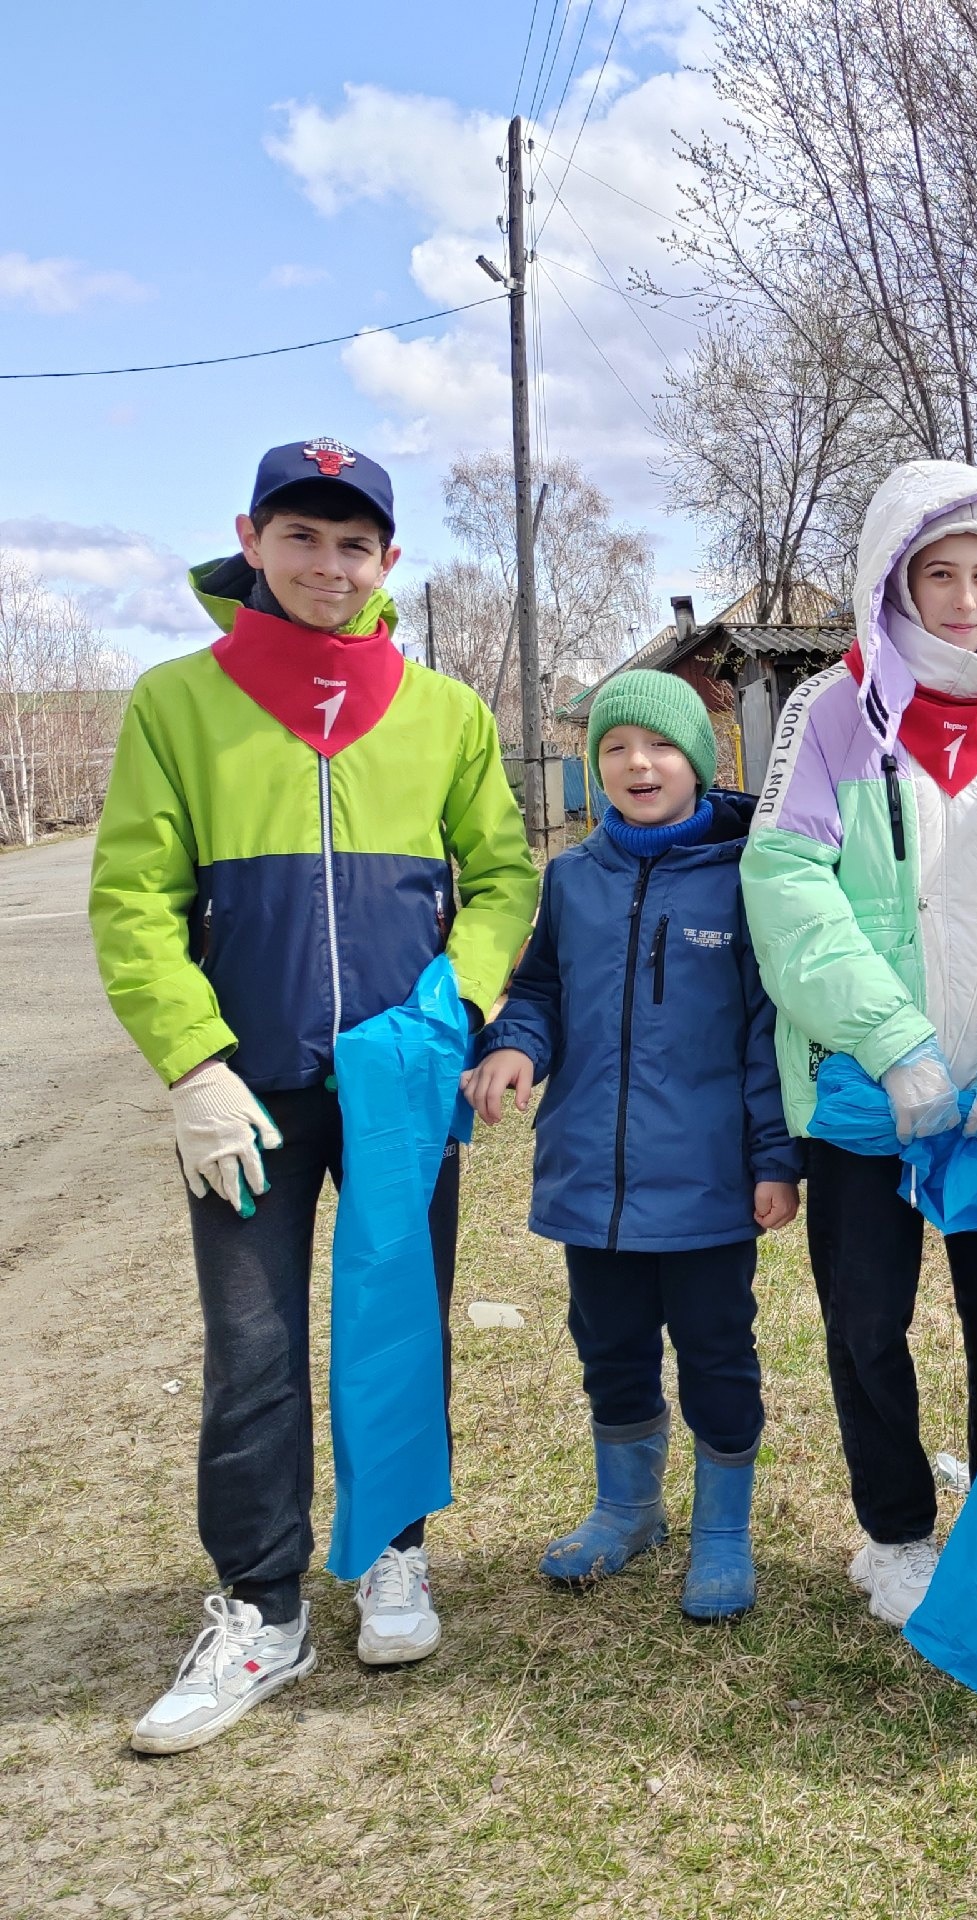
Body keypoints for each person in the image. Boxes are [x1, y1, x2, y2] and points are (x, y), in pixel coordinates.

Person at [92, 439, 537, 1753]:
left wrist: (453, 997)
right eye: (303, 537)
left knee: (404, 1318)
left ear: (387, 561)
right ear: (252, 538)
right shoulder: (178, 703)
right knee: (252, 1348)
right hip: (249, 1094)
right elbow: (131, 898)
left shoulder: (444, 712)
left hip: (400, 1082)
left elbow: (504, 878)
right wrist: (191, 1062)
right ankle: (260, 1605)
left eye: (355, 545)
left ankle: (394, 1553)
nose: (329, 565)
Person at [742, 459, 977, 1628]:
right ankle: (893, 1533)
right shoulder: (831, 712)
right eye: (935, 573)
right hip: (862, 1095)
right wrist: (893, 1044)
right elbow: (787, 884)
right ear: (892, 580)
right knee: (865, 1321)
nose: (959, 598)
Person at [462, 670, 801, 1622]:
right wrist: (516, 1048)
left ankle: (724, 1533)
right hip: (591, 1183)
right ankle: (628, 1509)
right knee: (608, 1347)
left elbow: (766, 1030)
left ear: (700, 759)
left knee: (716, 1352)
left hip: (708, 1187)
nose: (637, 764)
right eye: (614, 747)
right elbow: (538, 993)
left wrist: (775, 1159)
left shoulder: (747, 877)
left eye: (658, 747)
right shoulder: (570, 880)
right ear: (594, 765)